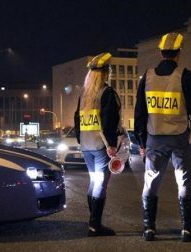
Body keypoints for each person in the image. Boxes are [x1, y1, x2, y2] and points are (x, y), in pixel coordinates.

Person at [134, 32, 191, 242]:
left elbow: (140, 113)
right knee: (184, 182)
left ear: (161, 52)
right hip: (179, 138)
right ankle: (187, 229)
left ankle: (149, 228)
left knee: (151, 182)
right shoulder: (185, 76)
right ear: (178, 53)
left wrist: (141, 142)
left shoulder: (147, 77)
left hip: (154, 138)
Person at [74, 52, 121, 237]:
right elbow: (110, 122)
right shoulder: (107, 93)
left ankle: (93, 221)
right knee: (101, 184)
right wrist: (111, 145)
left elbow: (77, 120)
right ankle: (95, 225)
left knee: (94, 181)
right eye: (109, 70)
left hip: (86, 146)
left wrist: (81, 140)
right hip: (102, 147)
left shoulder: (84, 95)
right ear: (105, 73)